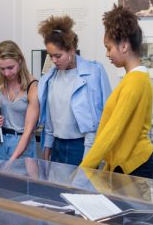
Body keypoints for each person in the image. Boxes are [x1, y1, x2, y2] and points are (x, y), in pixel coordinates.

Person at [79, 5, 153, 179]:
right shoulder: (136, 78)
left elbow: (112, 130)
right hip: (129, 163)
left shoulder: (135, 81)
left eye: (108, 48)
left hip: (135, 165)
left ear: (124, 46)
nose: (107, 54)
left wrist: (83, 170)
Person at [36, 15, 111, 166]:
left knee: (79, 189)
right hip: (57, 145)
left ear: (71, 50)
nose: (54, 61)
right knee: (56, 189)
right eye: (50, 56)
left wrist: (89, 156)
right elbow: (51, 115)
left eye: (58, 55)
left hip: (81, 146)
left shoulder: (93, 72)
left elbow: (101, 115)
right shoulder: (50, 78)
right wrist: (47, 146)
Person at [0, 40, 39, 162]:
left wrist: (11, 161)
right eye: (2, 68)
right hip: (0, 143)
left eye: (10, 67)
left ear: (20, 60)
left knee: (17, 180)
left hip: (23, 145)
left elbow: (28, 131)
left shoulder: (32, 87)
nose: (7, 73)